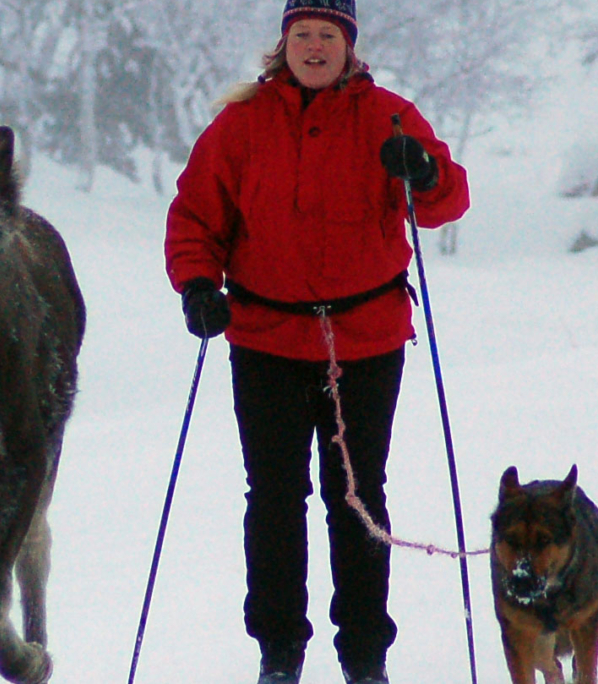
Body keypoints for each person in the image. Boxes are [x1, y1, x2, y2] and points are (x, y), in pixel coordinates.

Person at [164, 1, 469, 682]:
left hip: (364, 342)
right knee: (272, 498)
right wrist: (195, 285)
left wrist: (420, 172)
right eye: (301, 34)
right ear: (283, 43)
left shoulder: (389, 115)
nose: (312, 46)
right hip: (265, 338)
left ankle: (363, 656)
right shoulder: (240, 122)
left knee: (356, 498)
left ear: (348, 46)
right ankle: (279, 652)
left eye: (325, 35)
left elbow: (448, 200)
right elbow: (194, 215)